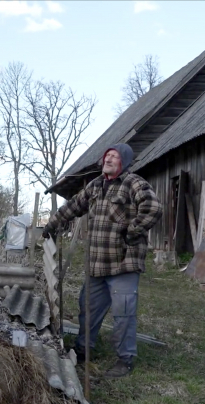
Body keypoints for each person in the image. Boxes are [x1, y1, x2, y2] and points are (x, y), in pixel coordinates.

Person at [42, 143, 162, 378]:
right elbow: (73, 207)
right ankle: (84, 349)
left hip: (123, 263)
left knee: (123, 314)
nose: (108, 159)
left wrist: (133, 230)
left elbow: (153, 208)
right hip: (98, 264)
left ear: (124, 162)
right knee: (88, 308)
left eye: (115, 157)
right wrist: (52, 224)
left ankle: (124, 359)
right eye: (107, 155)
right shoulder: (96, 186)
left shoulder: (133, 183)